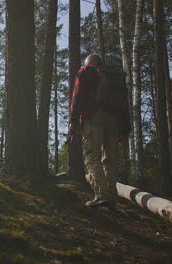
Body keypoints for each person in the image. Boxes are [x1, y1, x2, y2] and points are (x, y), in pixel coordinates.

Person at [69, 54, 130, 208]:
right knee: (110, 161)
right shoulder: (116, 78)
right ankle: (111, 199)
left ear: (90, 63)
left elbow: (77, 96)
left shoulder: (86, 72)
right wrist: (125, 131)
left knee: (92, 157)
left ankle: (101, 195)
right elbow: (124, 105)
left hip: (93, 116)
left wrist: (73, 120)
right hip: (115, 120)